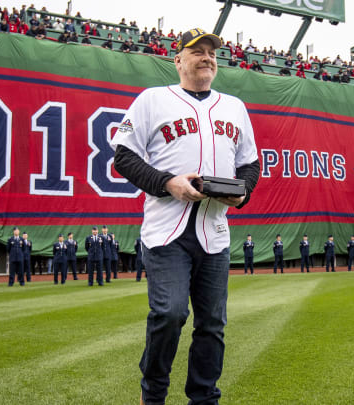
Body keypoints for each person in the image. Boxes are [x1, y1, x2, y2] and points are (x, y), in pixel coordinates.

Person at [110, 28, 259, 405]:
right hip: (167, 231)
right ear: (178, 60)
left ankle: (204, 398)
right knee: (170, 313)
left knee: (212, 325)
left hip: (215, 230)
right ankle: (154, 394)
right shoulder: (153, 100)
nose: (207, 57)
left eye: (211, 52)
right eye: (197, 52)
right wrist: (167, 182)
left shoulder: (234, 107)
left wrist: (241, 193)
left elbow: (250, 164)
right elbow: (124, 156)